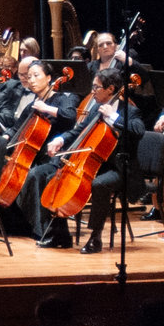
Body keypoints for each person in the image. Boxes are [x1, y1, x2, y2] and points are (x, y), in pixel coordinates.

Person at [18, 62, 130, 252]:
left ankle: (95, 238)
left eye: (96, 87)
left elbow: (137, 130)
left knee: (99, 185)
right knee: (50, 176)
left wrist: (114, 118)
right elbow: (79, 130)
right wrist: (61, 139)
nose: (92, 91)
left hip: (115, 167)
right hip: (89, 162)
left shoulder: (128, 110)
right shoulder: (96, 109)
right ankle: (59, 234)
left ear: (111, 89)